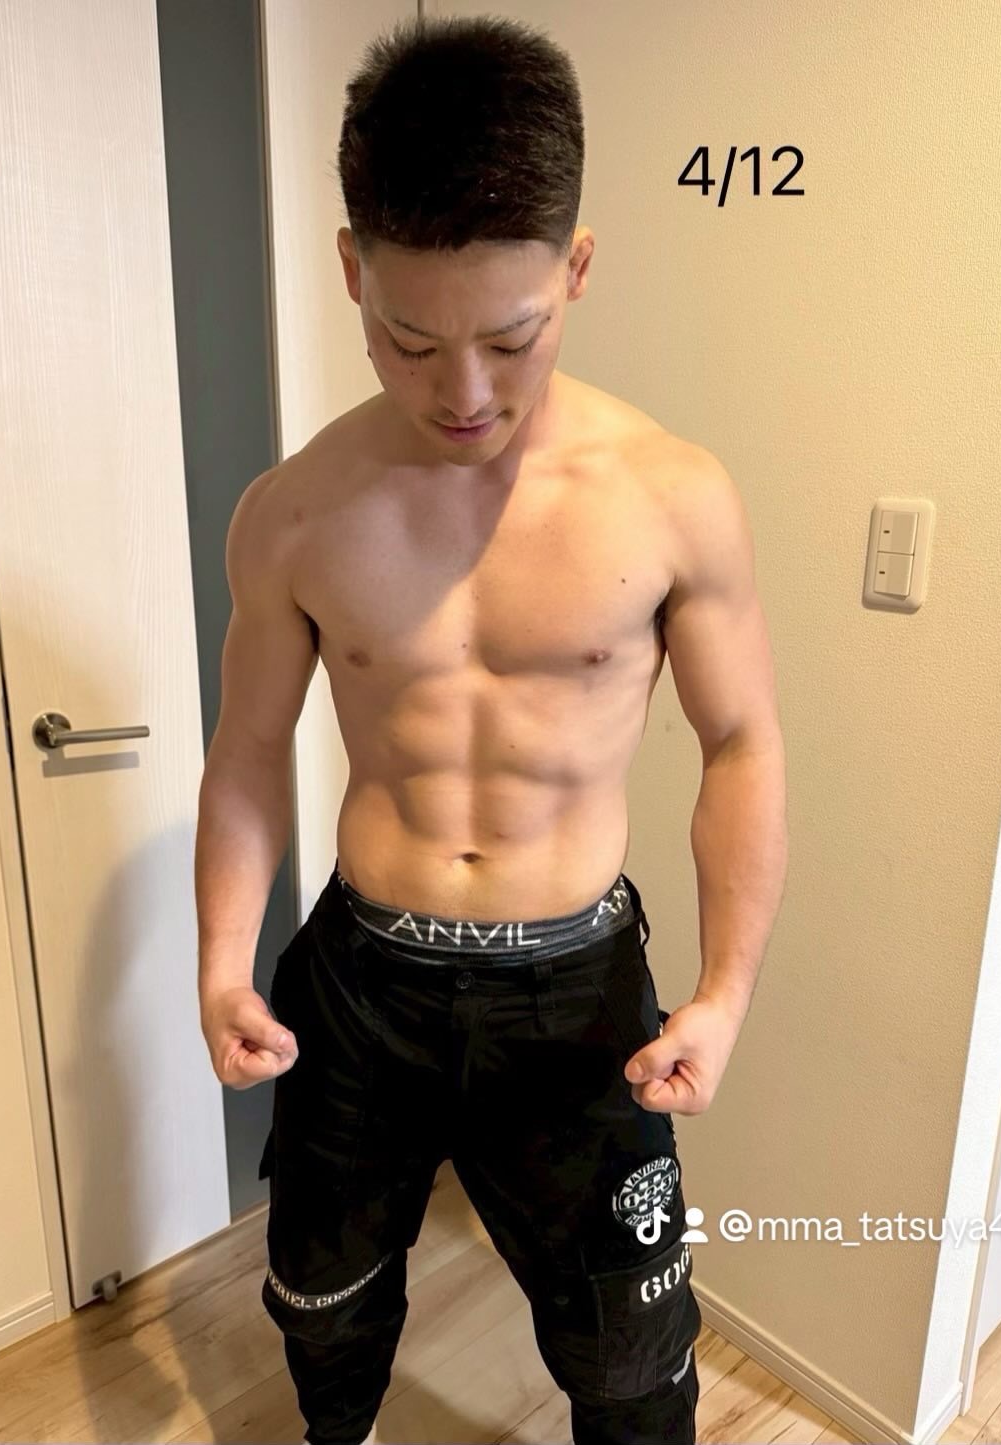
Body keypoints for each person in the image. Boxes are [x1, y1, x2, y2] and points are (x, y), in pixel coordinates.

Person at [196, 14, 787, 1445]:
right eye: (409, 341)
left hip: (577, 995)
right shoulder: (290, 512)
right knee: (323, 1302)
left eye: (512, 340)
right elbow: (249, 753)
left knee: (633, 1359)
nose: (463, 395)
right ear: (353, 270)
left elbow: (742, 743)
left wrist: (723, 992)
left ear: (575, 267)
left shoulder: (672, 495)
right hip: (362, 983)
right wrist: (221, 961)